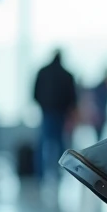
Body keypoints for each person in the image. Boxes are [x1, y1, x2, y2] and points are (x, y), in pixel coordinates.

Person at [32, 50, 78, 181]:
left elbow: (34, 93)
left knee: (42, 143)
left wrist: (43, 105)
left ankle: (40, 174)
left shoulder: (43, 72)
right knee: (60, 144)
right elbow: (73, 98)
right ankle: (59, 172)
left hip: (46, 112)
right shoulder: (67, 75)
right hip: (61, 114)